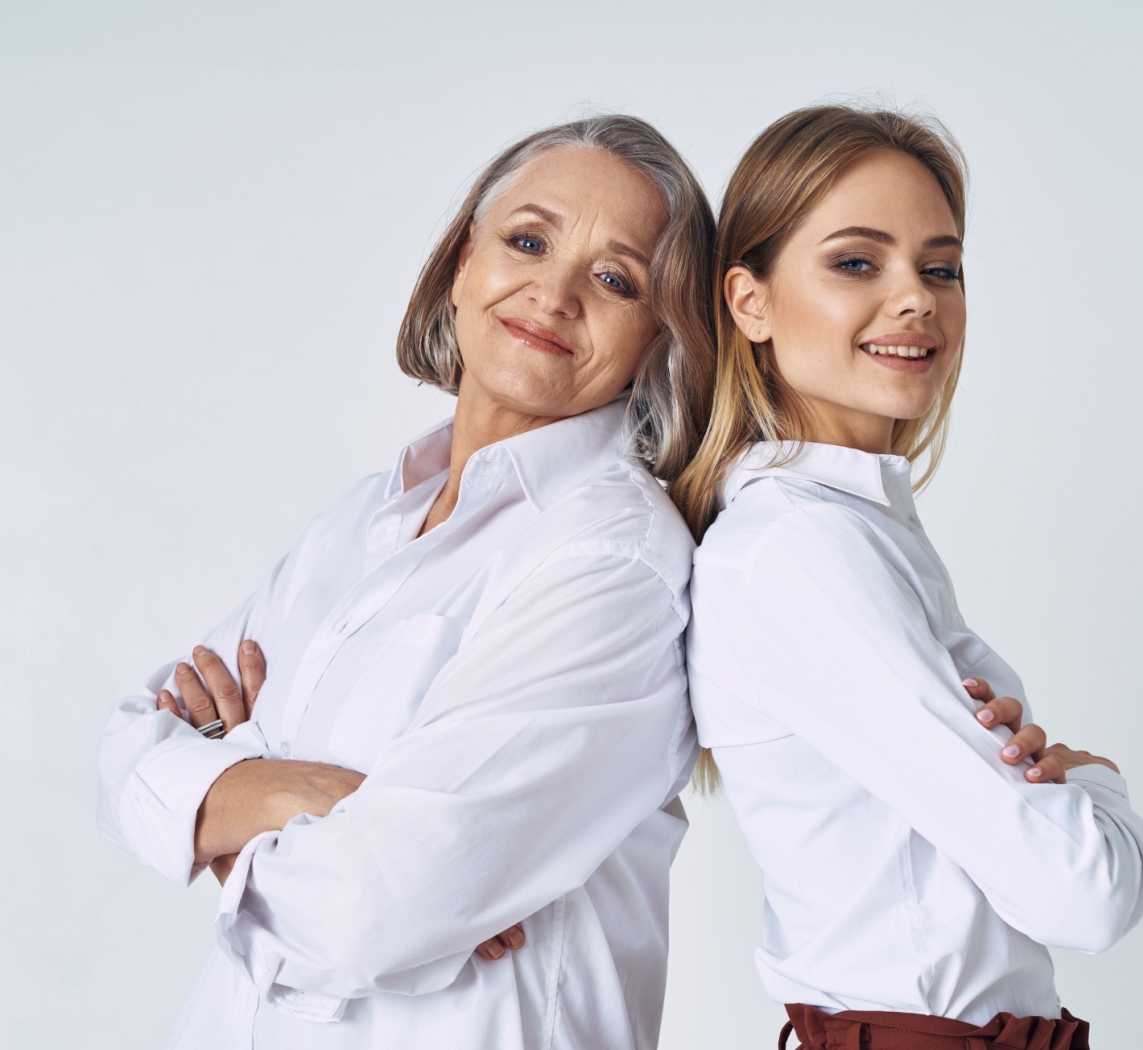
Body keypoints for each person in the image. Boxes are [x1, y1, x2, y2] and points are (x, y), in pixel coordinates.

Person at [96, 114, 715, 1050]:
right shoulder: (360, 521)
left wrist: (217, 813)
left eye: (616, 278)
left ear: (659, 338)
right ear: (464, 262)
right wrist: (292, 792)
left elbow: (367, 911)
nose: (552, 292)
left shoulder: (612, 563)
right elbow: (124, 754)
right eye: (528, 241)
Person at [671, 105, 1143, 1049]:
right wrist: (1097, 788)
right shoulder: (800, 551)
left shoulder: (852, 530)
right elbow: (1085, 893)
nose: (917, 299)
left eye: (941, 267)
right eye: (858, 262)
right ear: (749, 301)